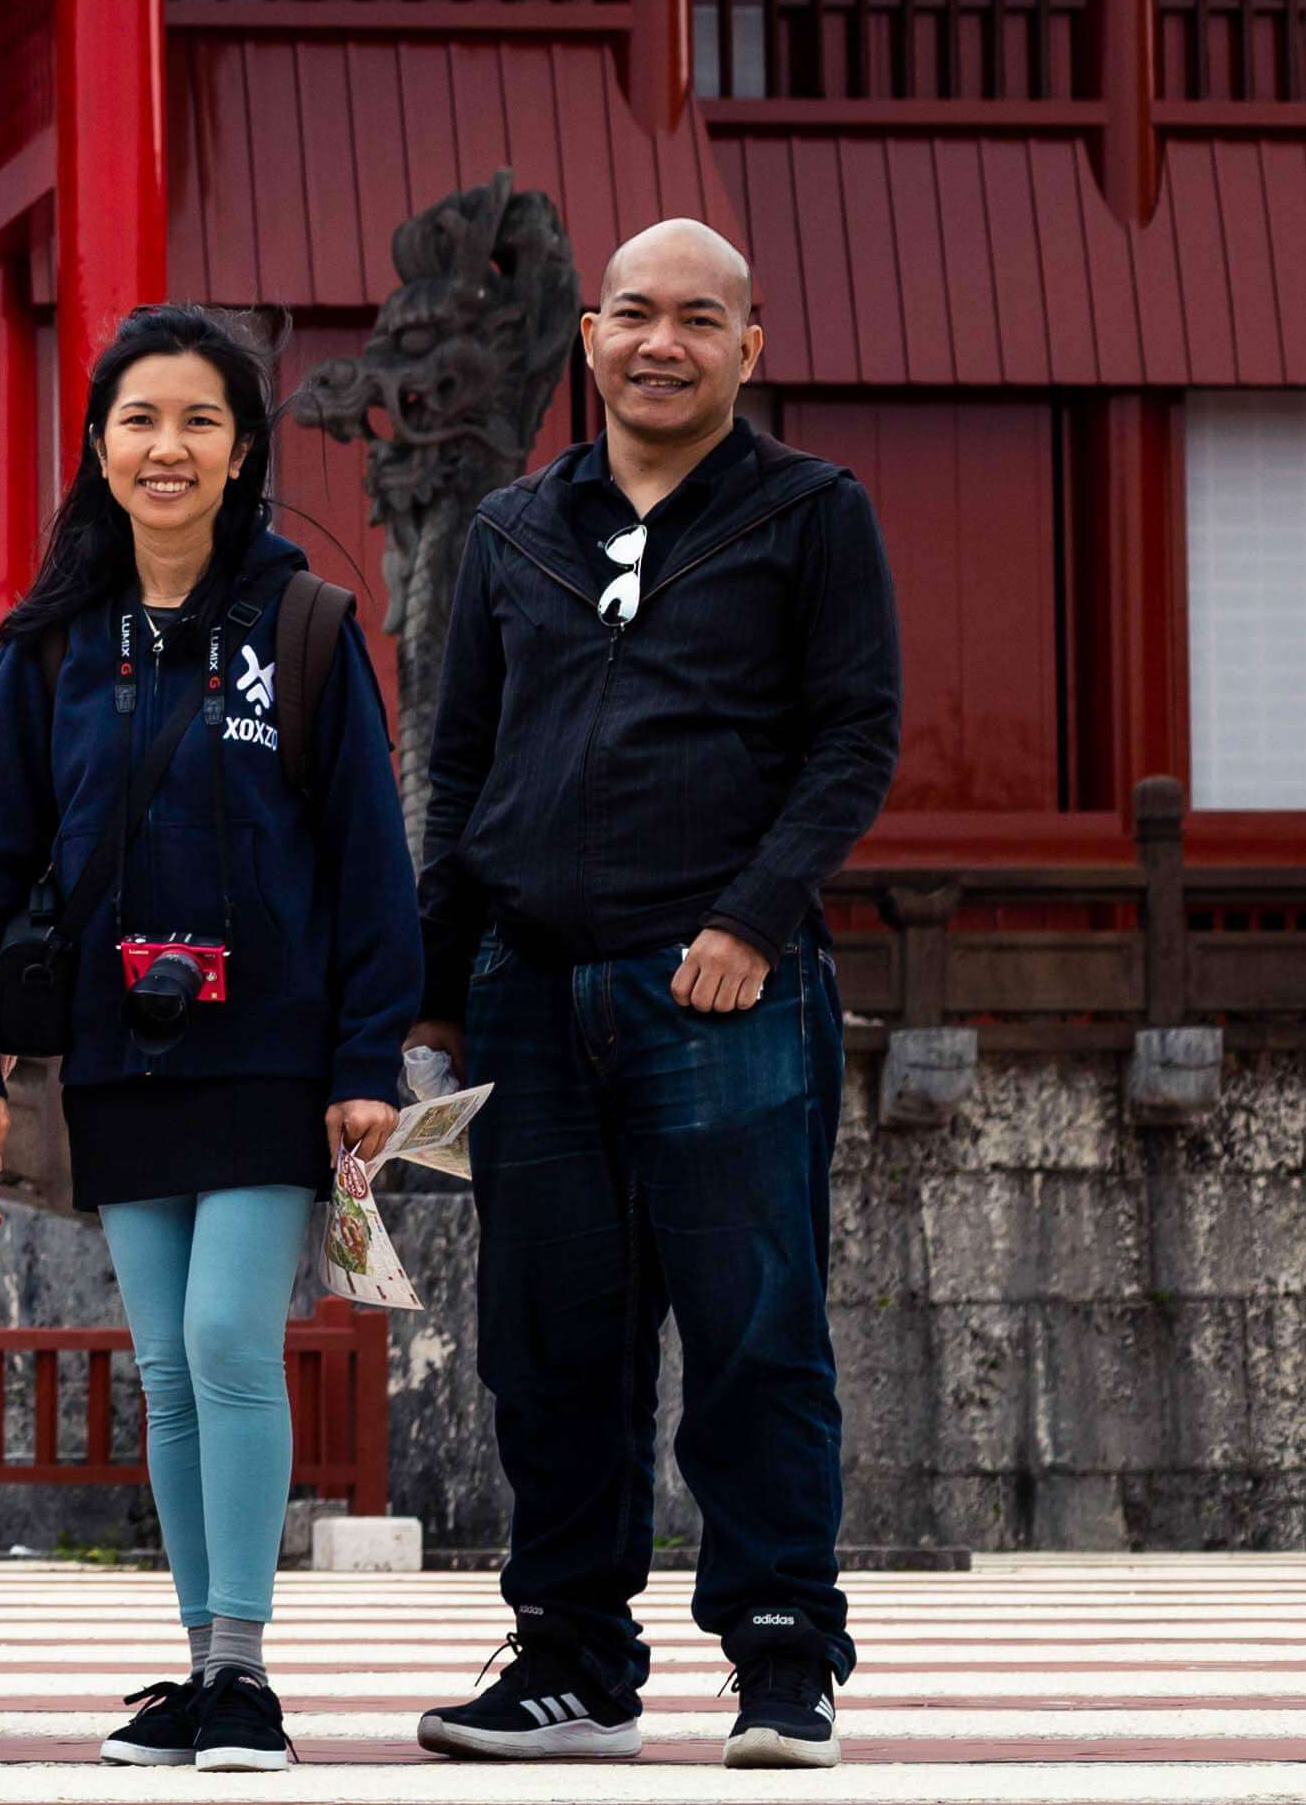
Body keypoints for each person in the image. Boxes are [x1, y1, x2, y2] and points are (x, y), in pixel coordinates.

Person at [408, 219, 898, 1774]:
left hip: (718, 992)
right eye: (631, 313)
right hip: (525, 994)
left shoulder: (811, 514)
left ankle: (777, 1659)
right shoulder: (508, 530)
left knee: (752, 1333)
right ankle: (570, 1662)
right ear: (590, 337)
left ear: (748, 348)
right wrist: (430, 997)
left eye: (698, 318)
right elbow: (460, 767)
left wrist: (753, 917)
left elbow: (851, 737)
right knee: (547, 1344)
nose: (659, 343)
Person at [0, 307, 417, 1775]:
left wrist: (365, 1060)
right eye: (140, 419)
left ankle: (249, 1671)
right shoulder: (56, 646)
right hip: (113, 1053)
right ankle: (201, 1666)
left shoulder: (303, 625)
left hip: (272, 1047)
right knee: (164, 1362)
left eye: (198, 420)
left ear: (241, 449)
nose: (167, 447)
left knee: (223, 1338)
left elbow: (368, 863)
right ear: (98, 447)